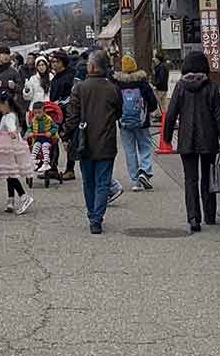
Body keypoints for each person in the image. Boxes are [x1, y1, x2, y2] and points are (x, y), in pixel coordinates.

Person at [164, 51, 220, 233]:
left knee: (190, 179)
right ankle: (210, 214)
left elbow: (171, 115)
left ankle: (193, 218)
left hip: (186, 139)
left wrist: (167, 138)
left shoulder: (181, 87)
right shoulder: (212, 87)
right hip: (208, 139)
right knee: (208, 177)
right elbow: (218, 116)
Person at [65, 50, 123, 234]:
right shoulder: (113, 88)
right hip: (106, 141)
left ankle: (92, 214)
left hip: (85, 141)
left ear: (91, 66)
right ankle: (97, 218)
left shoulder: (80, 88)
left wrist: (65, 134)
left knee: (88, 181)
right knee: (103, 181)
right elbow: (119, 113)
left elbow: (72, 117)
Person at [115, 55, 158, 192]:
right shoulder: (142, 83)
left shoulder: (117, 84)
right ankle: (144, 171)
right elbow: (153, 104)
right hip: (142, 122)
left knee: (130, 151)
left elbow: (114, 104)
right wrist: (147, 113)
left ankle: (135, 182)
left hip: (124, 123)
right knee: (145, 147)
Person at [0, 94, 35, 215]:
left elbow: (11, 127)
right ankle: (10, 200)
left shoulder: (9, 116)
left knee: (10, 174)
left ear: (6, 105)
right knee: (9, 174)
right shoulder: (8, 115)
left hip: (8, 147)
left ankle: (24, 196)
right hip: (9, 147)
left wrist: (11, 132)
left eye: (0, 106)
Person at [50, 51, 78, 180]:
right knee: (54, 139)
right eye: (53, 61)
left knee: (69, 141)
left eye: (57, 61)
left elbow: (73, 95)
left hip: (69, 112)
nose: (54, 64)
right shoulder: (56, 77)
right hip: (56, 112)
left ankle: (70, 168)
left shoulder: (71, 76)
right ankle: (52, 167)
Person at [28, 101, 59, 173]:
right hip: (38, 139)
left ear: (44, 111)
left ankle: (46, 163)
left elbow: (55, 127)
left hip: (47, 140)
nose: (37, 115)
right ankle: (33, 162)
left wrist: (50, 132)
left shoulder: (48, 119)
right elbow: (30, 128)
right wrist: (30, 132)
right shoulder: (34, 120)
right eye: (35, 113)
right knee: (35, 147)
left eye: (39, 112)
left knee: (45, 147)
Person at [153, 53, 170, 120]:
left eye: (156, 58)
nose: (154, 59)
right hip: (164, 87)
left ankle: (159, 115)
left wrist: (155, 84)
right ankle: (165, 116)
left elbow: (160, 78)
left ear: (158, 59)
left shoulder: (161, 67)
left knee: (156, 101)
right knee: (163, 103)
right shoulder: (165, 66)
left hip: (159, 88)